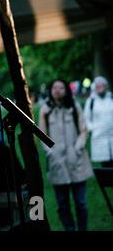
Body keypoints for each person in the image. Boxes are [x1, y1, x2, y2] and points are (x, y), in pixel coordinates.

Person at [39, 79, 93, 231]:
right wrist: (50, 152)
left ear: (66, 90)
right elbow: (42, 134)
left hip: (76, 160)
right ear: (50, 90)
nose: (57, 90)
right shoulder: (45, 109)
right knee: (62, 204)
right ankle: (69, 229)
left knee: (81, 202)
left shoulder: (74, 107)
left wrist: (78, 148)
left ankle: (82, 229)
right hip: (57, 162)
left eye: (61, 87)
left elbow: (83, 130)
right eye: (54, 87)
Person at [84, 76, 113, 167]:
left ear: (106, 86)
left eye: (102, 85)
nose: (100, 88)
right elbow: (86, 118)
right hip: (99, 137)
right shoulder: (91, 101)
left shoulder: (111, 99)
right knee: (105, 164)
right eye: (98, 86)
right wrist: (93, 129)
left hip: (112, 136)